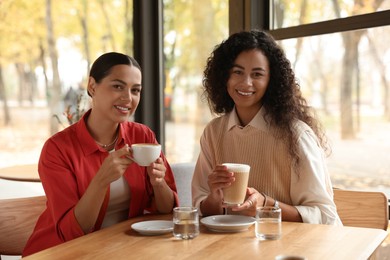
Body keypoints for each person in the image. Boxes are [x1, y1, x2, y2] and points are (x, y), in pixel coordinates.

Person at [23, 52, 178, 256]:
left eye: (135, 90)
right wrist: (101, 181)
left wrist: (159, 183)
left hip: (119, 249)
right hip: (59, 252)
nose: (128, 98)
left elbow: (167, 211)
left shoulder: (142, 135)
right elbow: (72, 232)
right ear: (92, 86)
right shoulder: (57, 149)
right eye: (117, 86)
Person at [191, 30, 342, 225]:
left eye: (257, 74)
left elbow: (325, 215)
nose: (246, 83)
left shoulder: (296, 136)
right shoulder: (213, 132)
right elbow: (199, 205)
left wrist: (266, 206)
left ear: (271, 81)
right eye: (237, 72)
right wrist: (213, 199)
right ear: (224, 76)